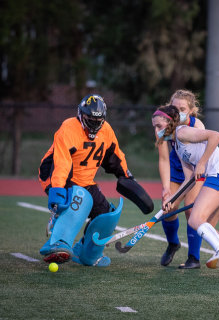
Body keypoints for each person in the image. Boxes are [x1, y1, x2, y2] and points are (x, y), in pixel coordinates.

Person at [38, 94, 152, 267]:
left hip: (85, 181)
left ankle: (87, 253)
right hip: (56, 175)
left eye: (97, 120)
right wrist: (58, 191)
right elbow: (61, 164)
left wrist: (127, 177)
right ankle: (57, 242)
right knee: (80, 198)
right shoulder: (68, 128)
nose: (94, 124)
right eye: (89, 119)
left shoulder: (106, 130)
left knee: (107, 215)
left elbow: (115, 156)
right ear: (80, 114)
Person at [152, 105, 219, 277]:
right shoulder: (177, 146)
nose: (156, 131)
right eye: (154, 127)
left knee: (195, 218)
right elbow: (189, 179)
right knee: (208, 225)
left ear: (170, 123)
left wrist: (202, 163)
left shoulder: (182, 132)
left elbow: (215, 136)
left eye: (159, 126)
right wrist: (172, 199)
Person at [157, 89, 205, 269]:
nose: (177, 112)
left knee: (190, 210)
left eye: (182, 108)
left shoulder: (197, 126)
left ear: (191, 110)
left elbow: (197, 165)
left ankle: (194, 257)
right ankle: (173, 243)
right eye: (174, 107)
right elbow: (163, 159)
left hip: (196, 171)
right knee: (168, 208)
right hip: (177, 169)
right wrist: (166, 189)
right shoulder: (164, 125)